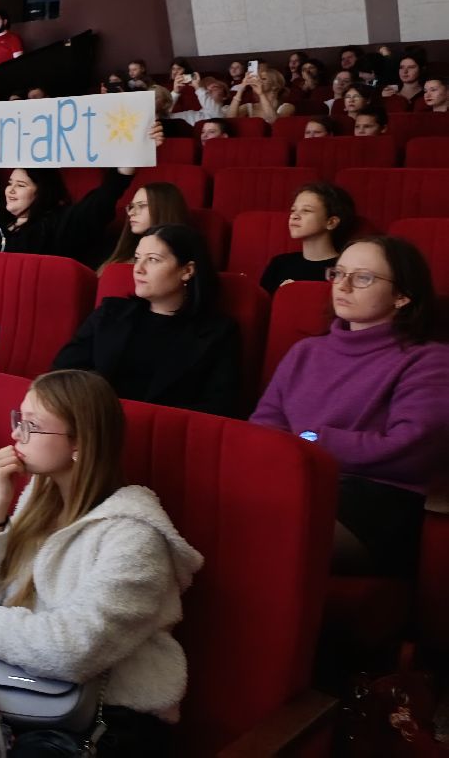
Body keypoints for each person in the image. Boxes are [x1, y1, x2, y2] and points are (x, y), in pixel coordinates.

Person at [0, 370, 203, 757]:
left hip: (109, 721)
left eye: (32, 426)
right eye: (18, 420)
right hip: (26, 692)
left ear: (80, 443)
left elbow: (74, 651)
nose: (15, 436)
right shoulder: (39, 501)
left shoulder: (135, 539)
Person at [253, 236, 449, 577]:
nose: (342, 285)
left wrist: (313, 440)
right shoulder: (306, 351)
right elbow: (263, 428)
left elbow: (409, 450)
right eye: (338, 273)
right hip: (295, 479)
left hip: (374, 501)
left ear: (402, 295)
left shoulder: (430, 360)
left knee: (260, 537)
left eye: (362, 277)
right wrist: (299, 451)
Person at [53, 224, 240, 417]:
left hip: (170, 438)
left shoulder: (219, 332)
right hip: (96, 426)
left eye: (152, 260)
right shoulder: (110, 313)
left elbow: (220, 407)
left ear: (187, 270)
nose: (138, 269)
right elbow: (62, 375)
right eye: (137, 258)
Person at [0, 123, 163, 262]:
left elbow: (104, 197)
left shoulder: (59, 225)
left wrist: (135, 150)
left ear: (40, 193)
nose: (10, 190)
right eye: (10, 183)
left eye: (21, 185)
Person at [260, 183, 356, 294]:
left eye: (306, 210)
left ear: (331, 222)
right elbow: (263, 306)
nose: (294, 216)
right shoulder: (280, 263)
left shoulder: (344, 269)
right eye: (293, 210)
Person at [99, 182, 190, 273]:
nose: (131, 213)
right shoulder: (120, 249)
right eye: (131, 206)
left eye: (141, 206)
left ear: (163, 208)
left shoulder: (180, 256)